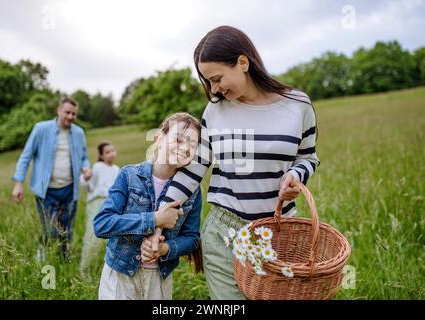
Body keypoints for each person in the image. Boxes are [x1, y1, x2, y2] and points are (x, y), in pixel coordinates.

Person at [154, 25, 321, 299]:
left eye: (217, 78)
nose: (213, 88)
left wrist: (296, 175)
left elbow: (307, 156)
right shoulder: (216, 110)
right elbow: (193, 171)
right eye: (208, 81)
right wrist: (157, 218)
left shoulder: (298, 105)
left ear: (243, 62)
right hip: (223, 234)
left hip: (278, 233)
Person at [93, 112, 203, 300]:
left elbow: (192, 237)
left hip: (158, 280)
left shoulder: (192, 190)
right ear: (159, 138)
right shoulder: (129, 176)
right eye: (178, 139)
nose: (185, 148)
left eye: (192, 145)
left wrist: (165, 249)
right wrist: (155, 219)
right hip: (121, 276)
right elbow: (102, 224)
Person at [11, 97, 91, 261]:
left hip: (70, 190)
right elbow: (26, 156)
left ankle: (64, 261)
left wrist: (86, 167)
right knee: (51, 229)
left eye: (74, 114)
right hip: (46, 191)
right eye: (67, 112)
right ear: (59, 110)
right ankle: (42, 254)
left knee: (66, 230)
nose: (70, 116)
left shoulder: (78, 132)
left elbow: (84, 156)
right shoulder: (41, 129)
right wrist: (19, 184)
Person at [79, 141, 120, 276]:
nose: (111, 154)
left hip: (111, 203)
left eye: (112, 151)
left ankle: (111, 269)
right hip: (96, 203)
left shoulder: (117, 169)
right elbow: (87, 185)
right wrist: (85, 178)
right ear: (101, 156)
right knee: (92, 234)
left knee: (113, 235)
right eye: (107, 152)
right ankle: (84, 270)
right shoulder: (97, 167)